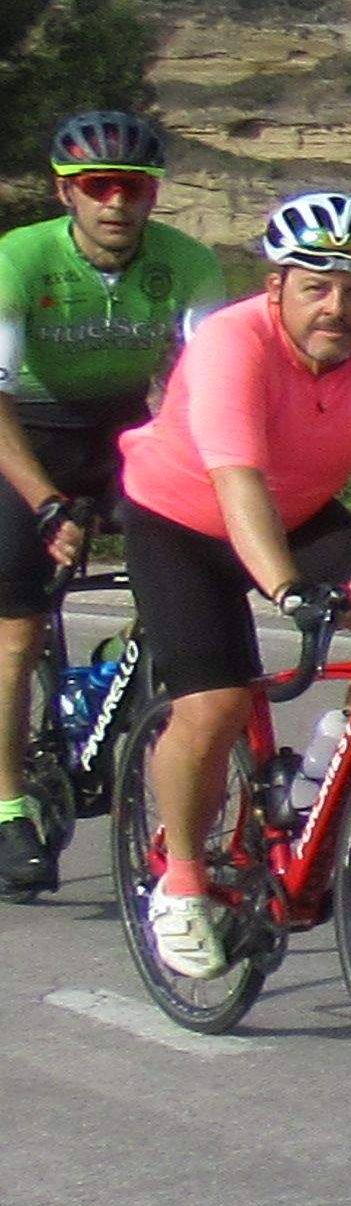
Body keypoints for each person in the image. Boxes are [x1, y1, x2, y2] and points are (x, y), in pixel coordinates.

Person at [114, 192, 351, 984]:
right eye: (316, 286)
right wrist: (286, 589)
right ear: (276, 289)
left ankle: (332, 778)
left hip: (294, 508)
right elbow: (235, 476)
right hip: (181, 518)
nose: (338, 306)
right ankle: (182, 880)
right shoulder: (230, 342)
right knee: (216, 705)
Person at [0, 110, 237, 895]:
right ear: (66, 192)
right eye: (97, 187)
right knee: (17, 630)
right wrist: (43, 505)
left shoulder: (187, 262)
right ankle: (6, 810)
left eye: (132, 188)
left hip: (124, 436)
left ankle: (138, 709)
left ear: (152, 195)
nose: (115, 203)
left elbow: (209, 389)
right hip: (24, 437)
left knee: (183, 580)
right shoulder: (20, 258)